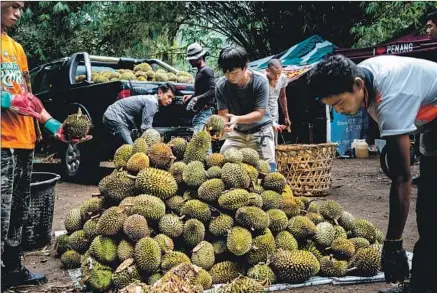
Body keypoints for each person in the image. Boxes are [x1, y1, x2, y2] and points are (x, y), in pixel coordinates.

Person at [307, 54, 437, 293]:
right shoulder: (363, 75)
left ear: (357, 85)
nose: (339, 110)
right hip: (431, 124)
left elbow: (402, 177)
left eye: (338, 103)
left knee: (431, 208)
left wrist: (393, 244)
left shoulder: (391, 96)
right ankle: (423, 284)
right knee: (429, 209)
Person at [1, 1, 91, 288]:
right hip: (2, 143)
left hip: (24, 141)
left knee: (18, 213)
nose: (18, 12)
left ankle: (12, 269)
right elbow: (14, 100)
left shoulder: (16, 49)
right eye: (13, 5)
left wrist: (55, 127)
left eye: (21, 7)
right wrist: (7, 100)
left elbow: (29, 100)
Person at [215, 45, 275, 165]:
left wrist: (237, 119)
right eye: (225, 72)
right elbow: (223, 115)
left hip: (261, 132)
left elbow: (260, 113)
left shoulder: (260, 81)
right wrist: (221, 127)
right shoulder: (221, 86)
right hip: (236, 134)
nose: (229, 76)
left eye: (233, 72)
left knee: (269, 170)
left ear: (245, 66)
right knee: (221, 164)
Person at [102, 83, 176, 144]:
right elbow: (146, 128)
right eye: (169, 96)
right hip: (114, 116)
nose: (170, 101)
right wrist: (158, 142)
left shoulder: (152, 101)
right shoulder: (152, 102)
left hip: (115, 115)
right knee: (130, 148)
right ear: (160, 93)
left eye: (172, 99)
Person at [182, 43, 216, 134]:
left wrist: (197, 98)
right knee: (201, 142)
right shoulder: (200, 71)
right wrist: (192, 96)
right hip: (201, 112)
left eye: (192, 60)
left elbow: (213, 90)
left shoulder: (207, 71)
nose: (190, 62)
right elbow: (204, 91)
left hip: (205, 111)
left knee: (200, 143)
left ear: (199, 58)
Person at [265, 58, 291, 144]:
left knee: (274, 142)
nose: (276, 77)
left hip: (275, 113)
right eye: (273, 74)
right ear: (267, 71)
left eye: (278, 74)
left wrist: (286, 116)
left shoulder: (283, 78)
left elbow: (282, 96)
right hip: (262, 114)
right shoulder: (261, 80)